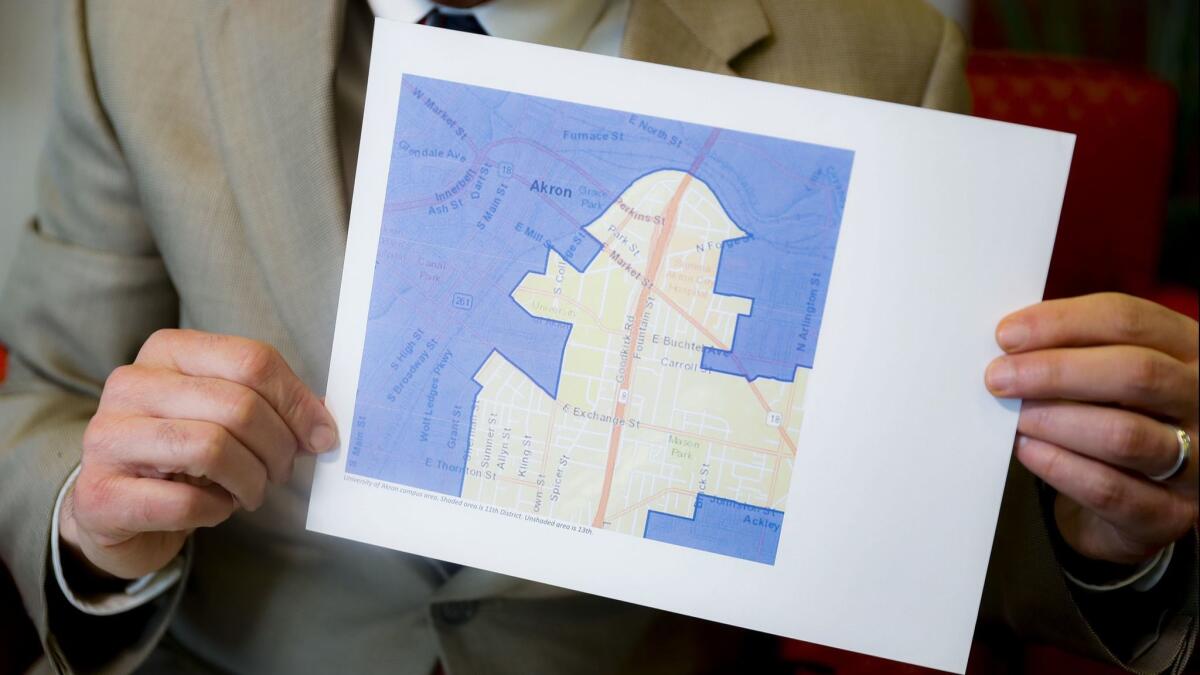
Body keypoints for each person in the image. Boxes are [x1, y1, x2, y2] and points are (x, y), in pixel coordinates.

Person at [0, 0, 1195, 673]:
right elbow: (47, 396)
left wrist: (1102, 534)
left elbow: (929, 524)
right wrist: (91, 516)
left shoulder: (880, 52)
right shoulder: (138, 20)